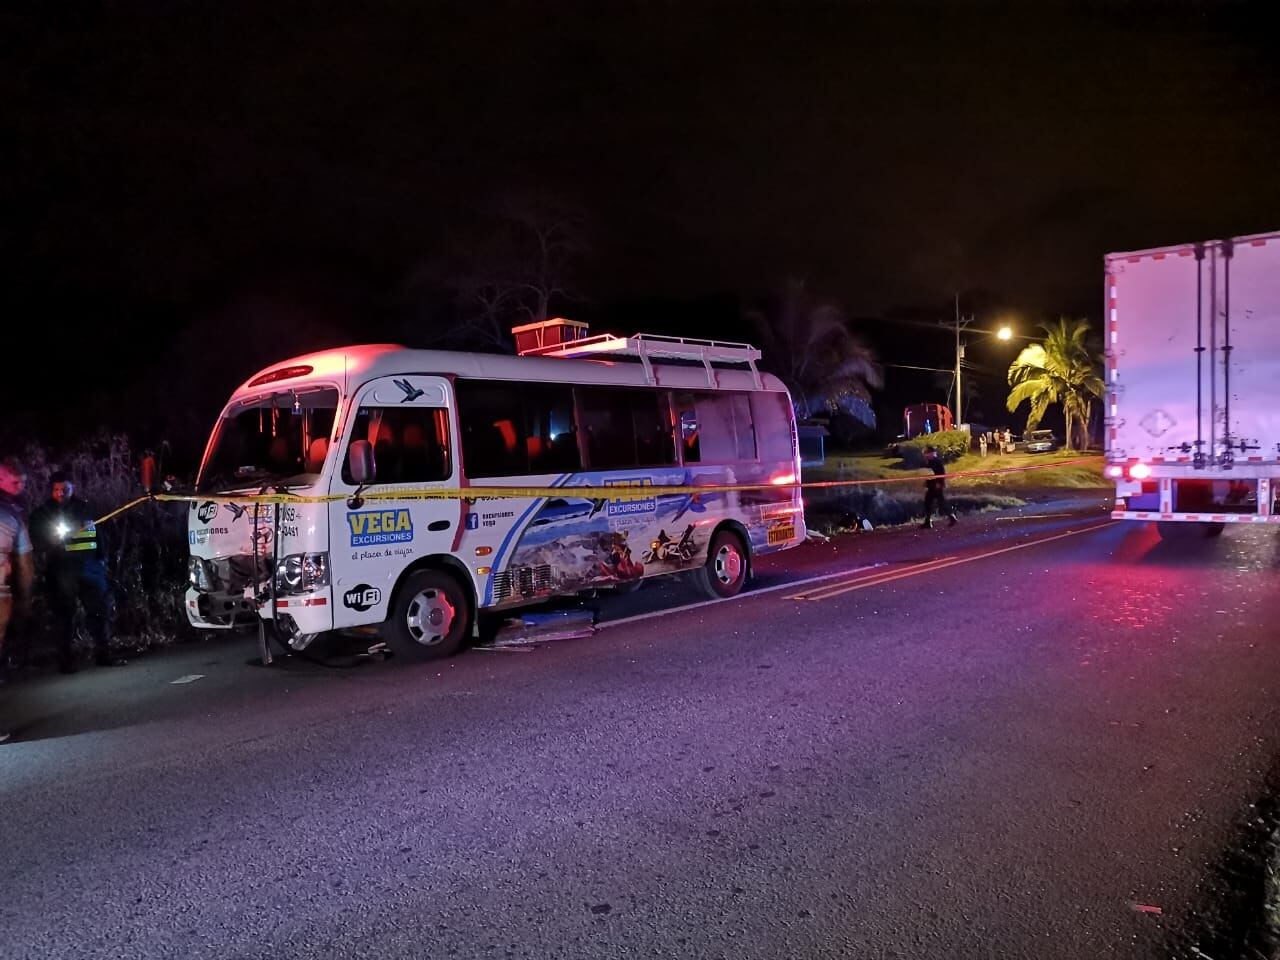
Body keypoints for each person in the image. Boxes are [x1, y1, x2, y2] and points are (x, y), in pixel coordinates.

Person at [30, 471, 124, 672]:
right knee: (64, 616)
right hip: (62, 571)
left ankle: (104, 653)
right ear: (51, 490)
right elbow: (37, 543)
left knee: (99, 612)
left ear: (73, 487)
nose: (61, 493)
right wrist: (53, 540)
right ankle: (65, 661)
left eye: (65, 489)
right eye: (56, 489)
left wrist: (102, 559)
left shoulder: (86, 508)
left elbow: (100, 535)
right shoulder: (43, 514)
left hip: (90, 569)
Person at [0, 458, 35, 743]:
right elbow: (25, 564)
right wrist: (25, 599)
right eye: (15, 482)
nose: (20, 487)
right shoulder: (12, 516)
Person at [920, 445, 957, 529]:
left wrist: (939, 483)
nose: (924, 455)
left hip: (936, 485)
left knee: (938, 502)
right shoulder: (931, 461)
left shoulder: (935, 461)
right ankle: (928, 521)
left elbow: (940, 473)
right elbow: (930, 473)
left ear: (930, 453)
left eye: (926, 453)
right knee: (930, 502)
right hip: (933, 485)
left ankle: (951, 518)